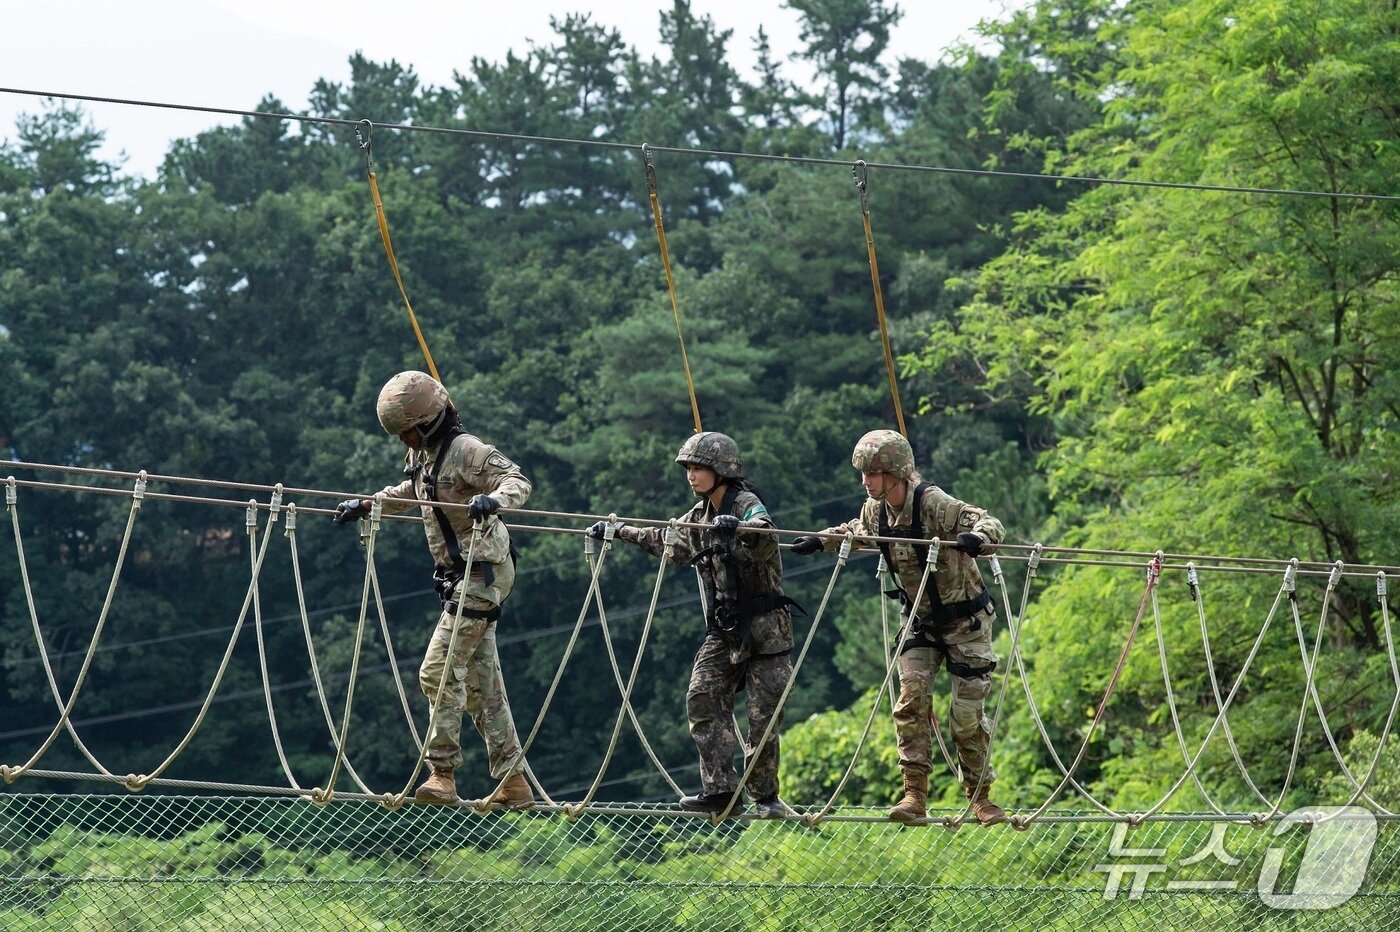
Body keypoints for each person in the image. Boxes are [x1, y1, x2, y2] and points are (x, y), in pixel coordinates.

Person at [332, 370, 533, 809]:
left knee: (436, 671)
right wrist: (369, 504)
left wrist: (493, 500)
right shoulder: (425, 454)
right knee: (480, 682)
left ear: (428, 421)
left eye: (408, 431)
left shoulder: (466, 449)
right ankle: (514, 781)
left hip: (482, 573)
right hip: (461, 576)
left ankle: (442, 773)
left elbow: (516, 481)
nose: (404, 440)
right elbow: (416, 490)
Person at [790, 429, 1007, 826]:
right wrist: (820, 541)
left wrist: (977, 538)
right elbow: (857, 533)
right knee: (910, 704)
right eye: (863, 474)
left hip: (966, 625)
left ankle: (980, 797)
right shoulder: (875, 512)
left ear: (896, 474)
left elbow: (987, 521)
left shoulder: (933, 504)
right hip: (921, 624)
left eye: (873, 473)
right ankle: (914, 794)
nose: (866, 481)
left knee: (965, 717)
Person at [590, 431, 797, 818]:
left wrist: (737, 527)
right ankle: (721, 791)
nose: (691, 475)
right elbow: (666, 541)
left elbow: (764, 529)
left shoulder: (745, 503)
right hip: (725, 631)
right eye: (687, 468)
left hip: (766, 631)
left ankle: (765, 795)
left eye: (698, 468)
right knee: (702, 697)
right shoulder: (699, 517)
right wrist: (620, 532)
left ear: (721, 470)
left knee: (763, 717)